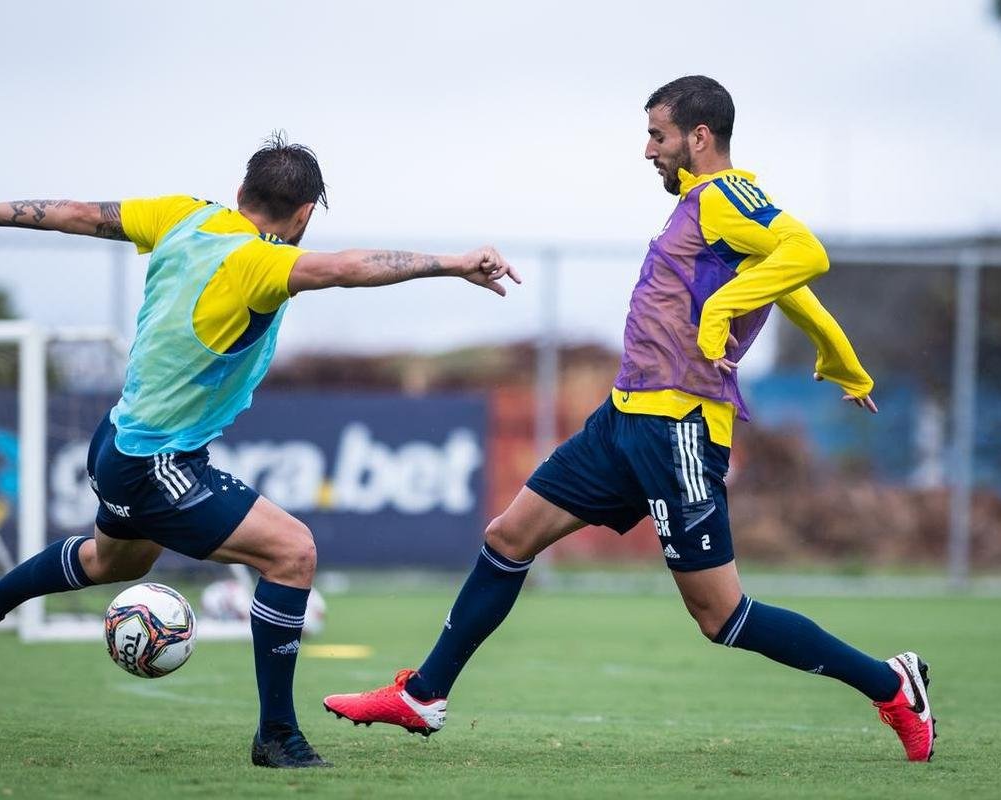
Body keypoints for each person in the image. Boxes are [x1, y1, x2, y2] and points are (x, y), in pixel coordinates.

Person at [323, 76, 936, 763]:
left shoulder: (729, 195)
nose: (648, 150)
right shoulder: (706, 208)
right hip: (624, 418)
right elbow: (788, 281)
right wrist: (839, 357)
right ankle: (423, 695)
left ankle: (890, 685)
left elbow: (805, 254)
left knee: (721, 616)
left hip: (678, 428)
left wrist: (719, 311)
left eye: (657, 135)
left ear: (697, 138)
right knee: (508, 536)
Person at [0, 135, 520, 770]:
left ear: (239, 194)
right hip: (158, 463)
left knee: (115, 561)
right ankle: (277, 735)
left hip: (116, 441)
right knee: (293, 553)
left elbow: (79, 214)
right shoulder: (259, 265)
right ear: (306, 213)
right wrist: (454, 263)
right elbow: (346, 268)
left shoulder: (184, 214)